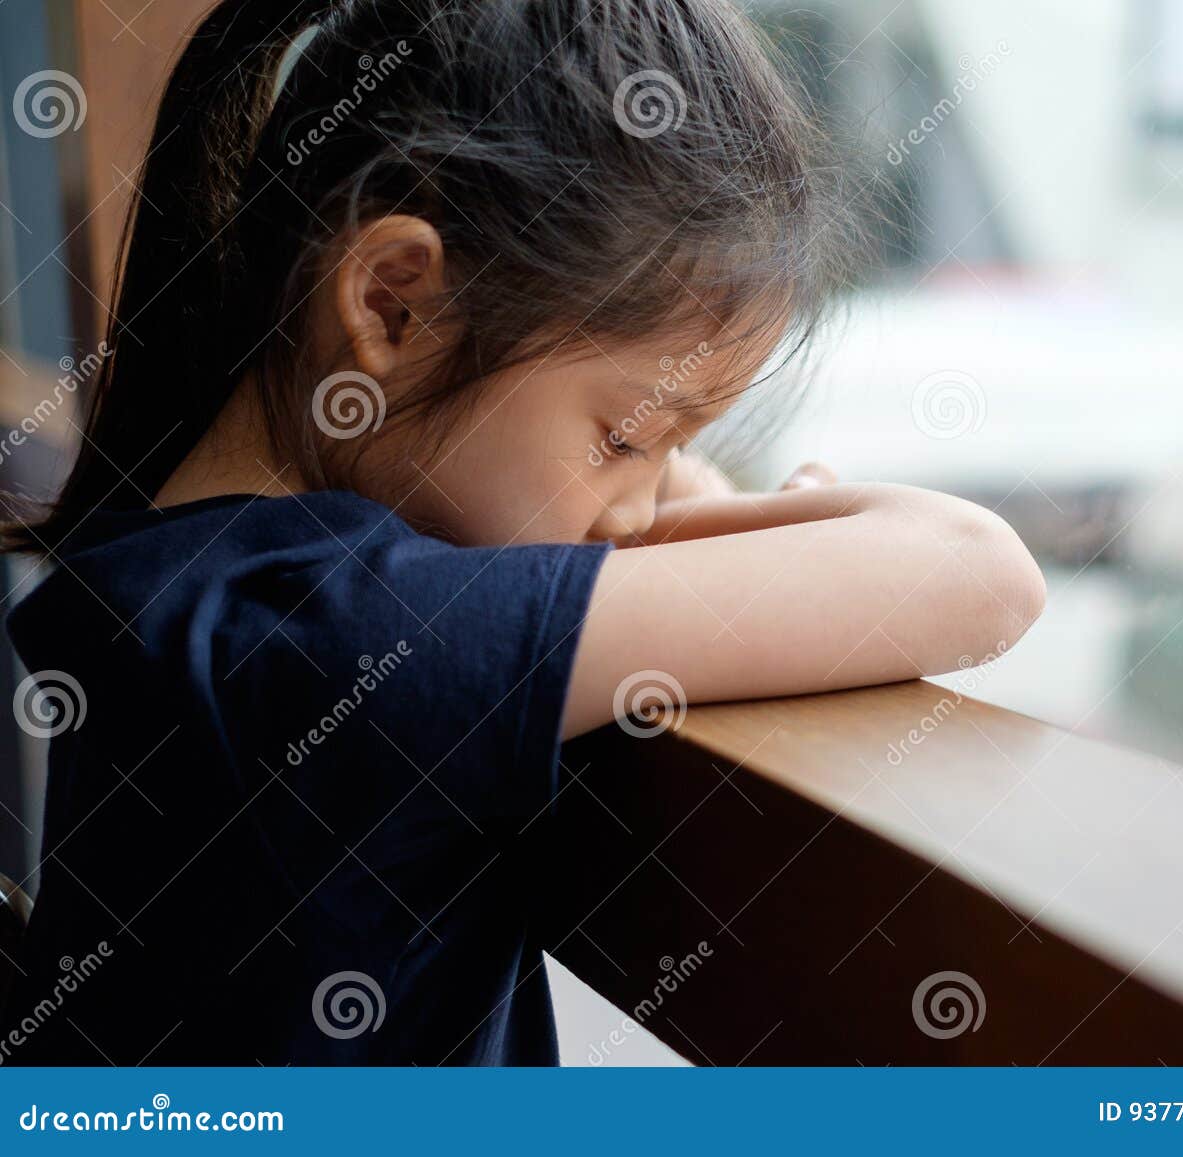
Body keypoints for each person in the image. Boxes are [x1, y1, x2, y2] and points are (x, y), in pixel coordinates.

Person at [0, 0, 1044, 1064]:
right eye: (625, 436)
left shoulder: (209, 589)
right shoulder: (336, 640)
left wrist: (672, 485)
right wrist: (763, 527)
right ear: (395, 302)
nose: (637, 508)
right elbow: (980, 571)